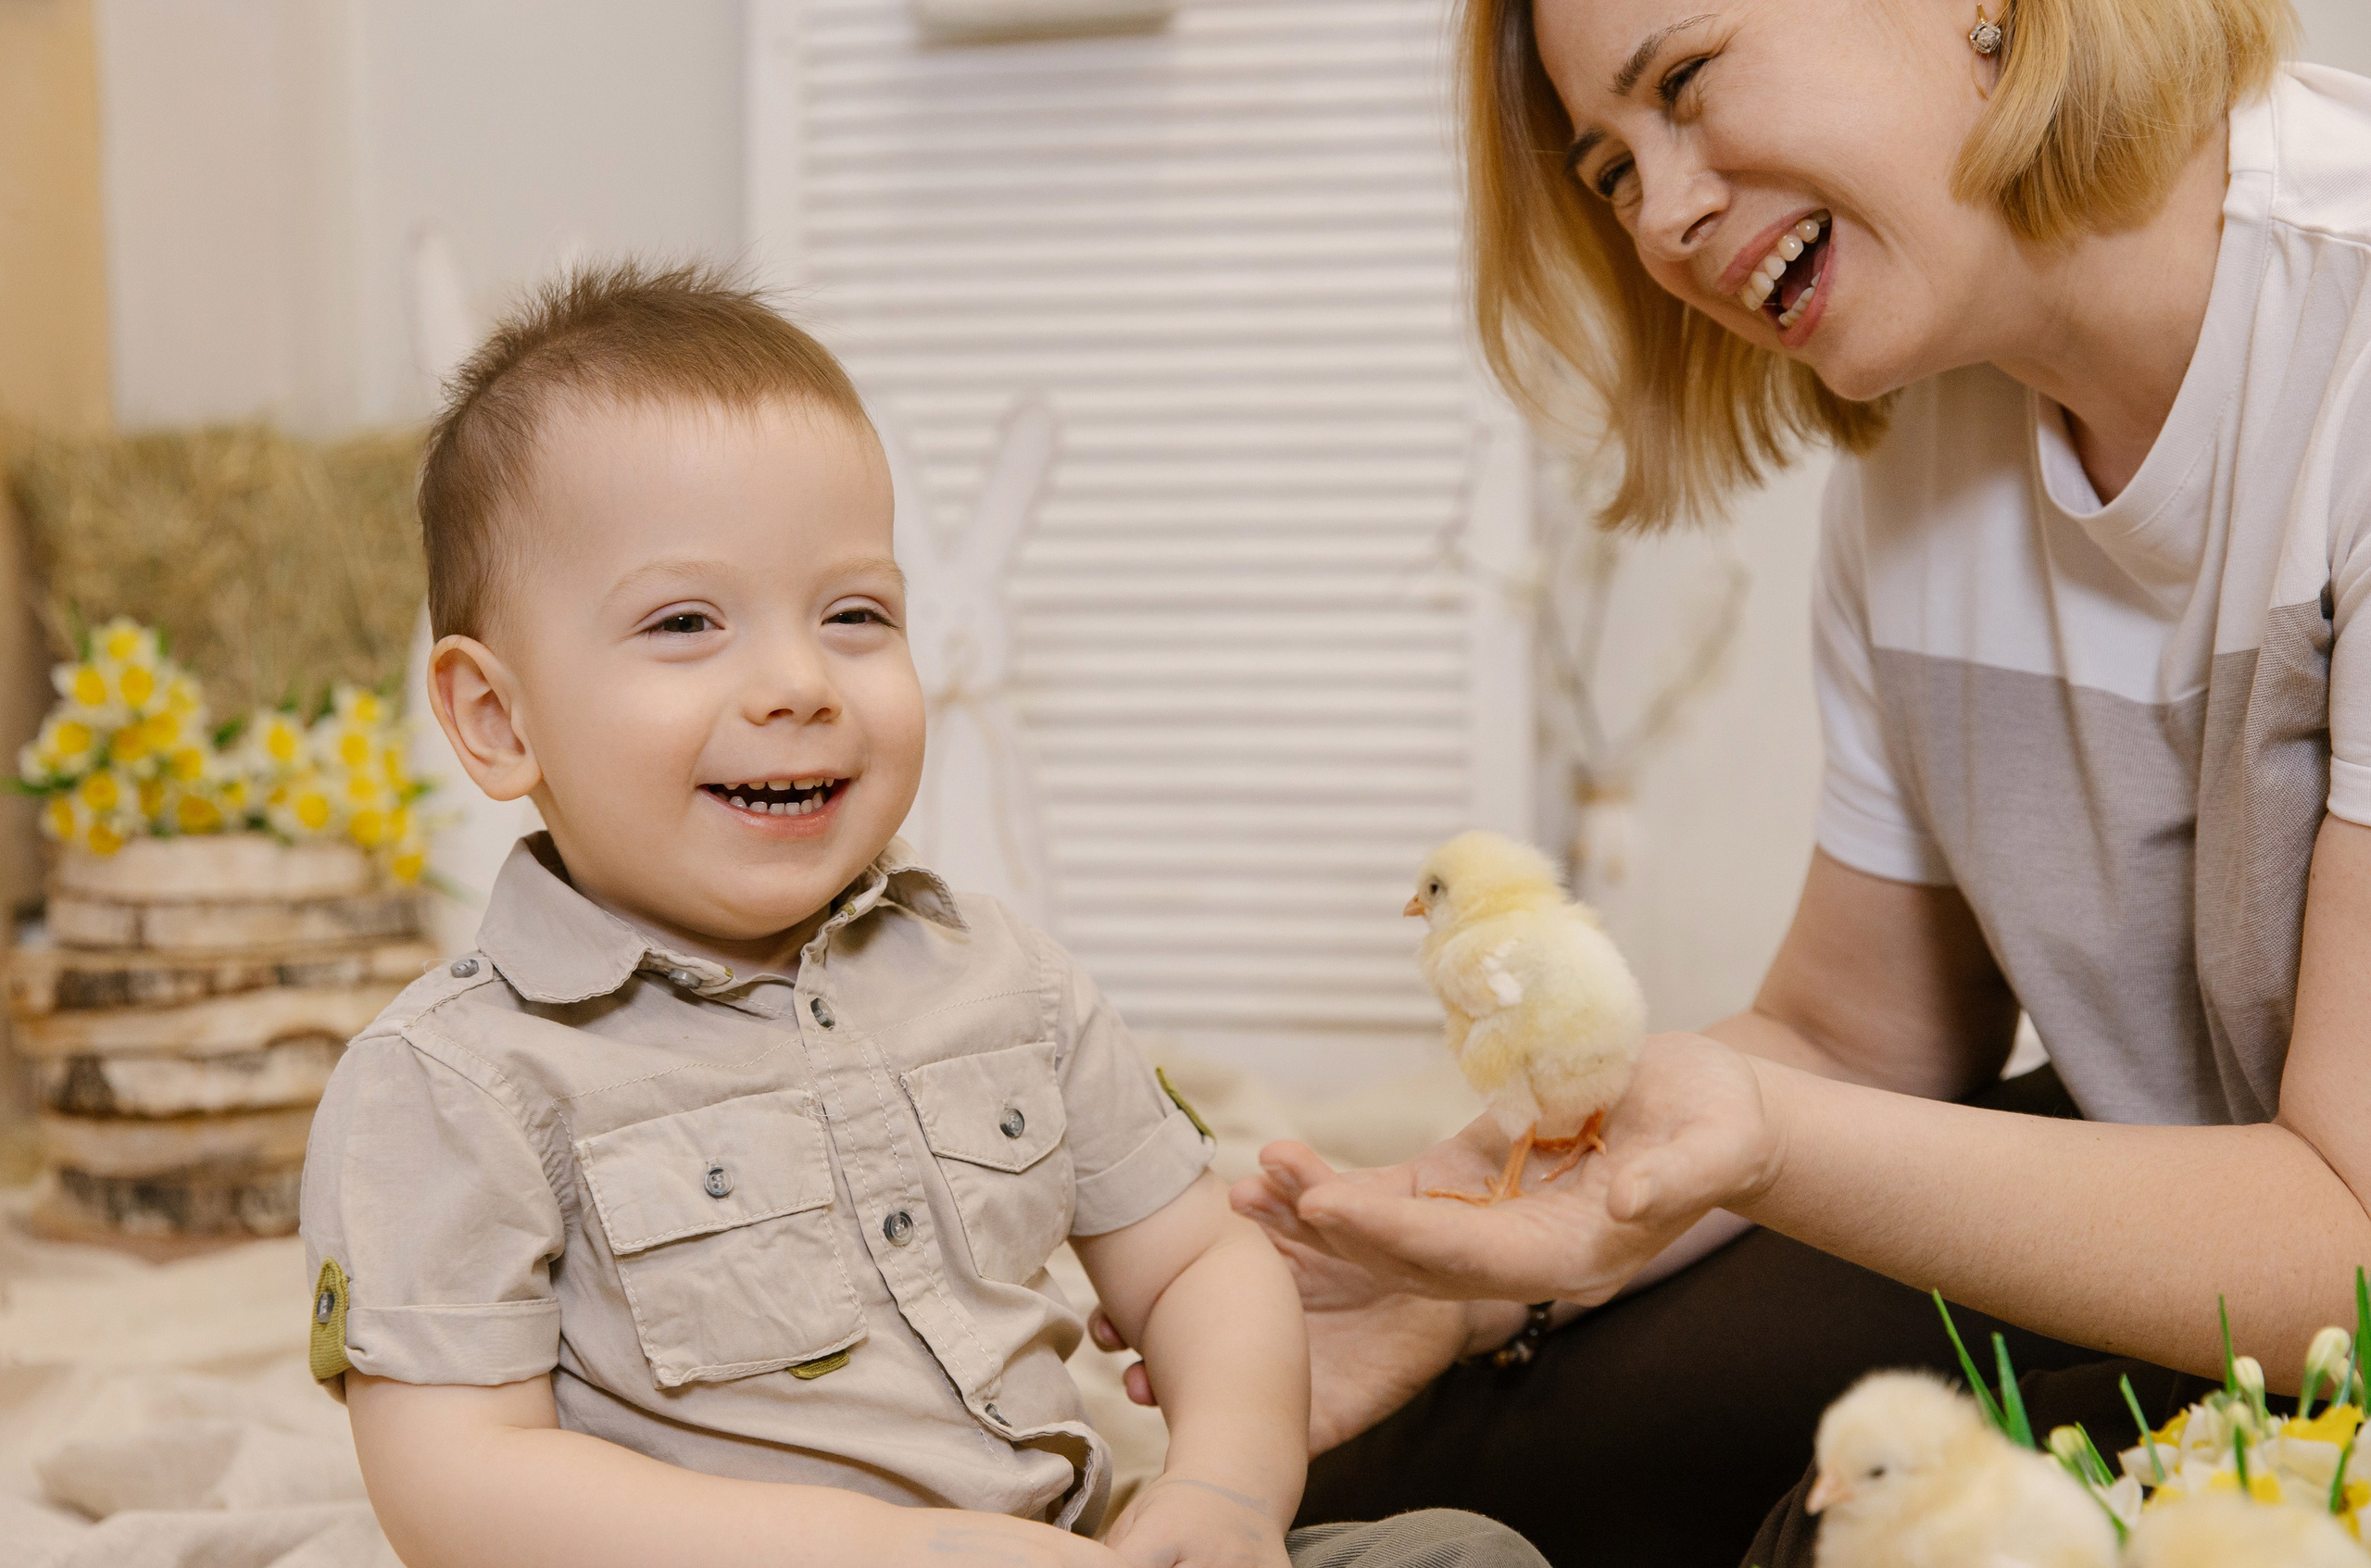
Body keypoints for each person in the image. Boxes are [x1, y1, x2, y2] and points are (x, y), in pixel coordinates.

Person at [1091, 0, 2371, 1562]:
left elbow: (2353, 1239)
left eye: (1688, 83)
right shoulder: (1927, 459)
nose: (1670, 218)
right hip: (2243, 1247)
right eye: (1615, 172)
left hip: (2331, 1258)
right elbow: (1859, 1034)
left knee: (1823, 1533)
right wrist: (1474, 1252)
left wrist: (1756, 1131)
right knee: (1414, 1467)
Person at [297, 262, 1547, 1568]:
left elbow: (1197, 1265)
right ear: (497, 717)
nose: (797, 680)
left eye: (855, 614)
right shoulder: (456, 1083)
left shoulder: (1001, 980)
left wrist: (1228, 1486)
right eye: (684, 621)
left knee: (1462, 1554)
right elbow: (460, 1488)